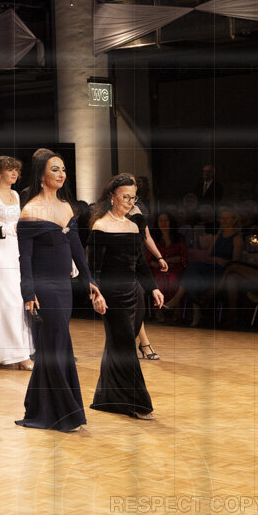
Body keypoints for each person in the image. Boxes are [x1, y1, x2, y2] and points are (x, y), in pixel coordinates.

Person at [16, 149, 105, 433]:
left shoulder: (66, 207)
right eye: (55, 169)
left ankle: (43, 408)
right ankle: (64, 411)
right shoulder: (30, 211)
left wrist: (89, 280)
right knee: (55, 344)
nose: (61, 174)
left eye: (63, 169)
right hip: (43, 287)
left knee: (57, 345)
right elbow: (24, 258)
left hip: (64, 286)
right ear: (41, 175)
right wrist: (28, 293)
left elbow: (77, 248)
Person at [88, 175, 163, 420]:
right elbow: (93, 269)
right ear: (112, 197)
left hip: (135, 295)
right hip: (112, 297)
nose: (130, 202)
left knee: (118, 346)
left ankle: (108, 399)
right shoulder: (100, 227)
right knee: (124, 347)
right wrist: (96, 295)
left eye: (133, 197)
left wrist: (153, 288)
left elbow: (140, 263)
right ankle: (137, 403)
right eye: (125, 197)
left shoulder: (133, 226)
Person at [0, 156, 32, 369]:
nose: (14, 174)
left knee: (18, 300)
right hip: (0, 250)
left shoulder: (16, 194)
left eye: (16, 170)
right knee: (7, 300)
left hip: (16, 249)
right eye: (10, 170)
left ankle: (18, 351)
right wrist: (11, 229)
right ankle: (17, 354)